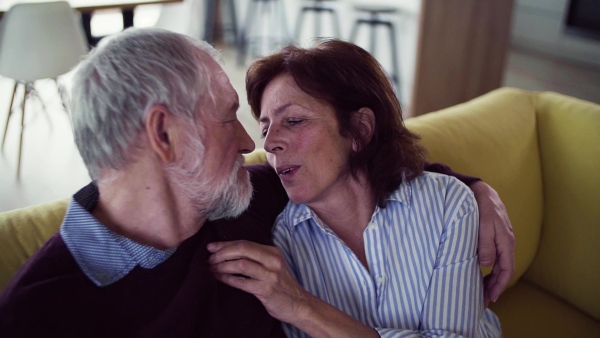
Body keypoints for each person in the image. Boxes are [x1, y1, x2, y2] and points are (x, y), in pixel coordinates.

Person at [0, 29, 513, 337]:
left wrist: (472, 190)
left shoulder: (243, 199)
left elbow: (358, 167)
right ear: (165, 135)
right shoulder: (39, 313)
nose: (253, 144)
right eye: (230, 118)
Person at [208, 40, 504, 337]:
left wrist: (301, 307)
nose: (269, 143)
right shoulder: (281, 242)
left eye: (294, 121)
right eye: (265, 129)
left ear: (360, 129)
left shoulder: (448, 205)